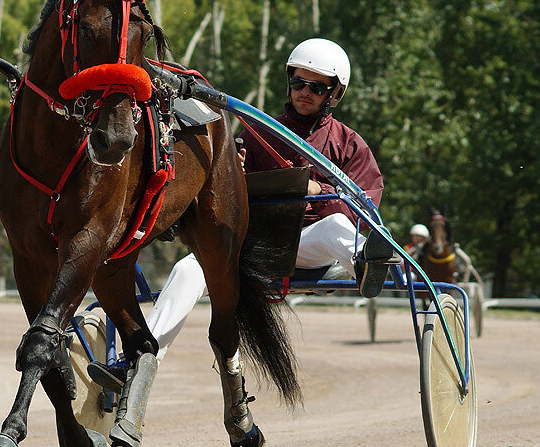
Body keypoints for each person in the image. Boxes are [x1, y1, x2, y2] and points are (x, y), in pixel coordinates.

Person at [142, 37, 393, 364]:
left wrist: (318, 193)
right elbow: (224, 202)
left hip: (312, 245)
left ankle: (365, 265)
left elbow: (367, 209)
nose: (305, 91)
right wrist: (235, 175)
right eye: (298, 82)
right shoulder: (257, 132)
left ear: (334, 93)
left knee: (336, 225)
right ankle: (142, 356)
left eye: (317, 88)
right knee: (188, 269)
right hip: (256, 245)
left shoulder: (350, 145)